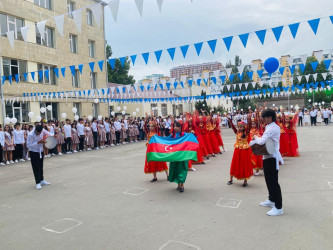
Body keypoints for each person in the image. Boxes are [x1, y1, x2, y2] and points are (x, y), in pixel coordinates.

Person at [249, 109, 284, 216]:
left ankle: (279, 207)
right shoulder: (270, 127)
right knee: (268, 180)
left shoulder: (272, 128)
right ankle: (271, 199)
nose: (263, 119)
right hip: (267, 156)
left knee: (273, 182)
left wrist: (255, 137)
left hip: (271, 157)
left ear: (269, 118)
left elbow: (261, 141)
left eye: (264, 117)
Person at [227, 115, 253, 187]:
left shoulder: (246, 133)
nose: (240, 128)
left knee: (244, 164)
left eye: (241, 127)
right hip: (237, 149)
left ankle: (245, 181)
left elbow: (250, 126)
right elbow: (233, 127)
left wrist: (249, 119)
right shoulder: (237, 132)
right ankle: (231, 179)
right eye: (239, 127)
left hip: (244, 150)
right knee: (235, 163)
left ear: (244, 127)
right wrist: (230, 121)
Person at [27, 125, 55, 190]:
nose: (40, 133)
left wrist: (53, 135)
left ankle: (42, 180)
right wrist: (38, 142)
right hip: (33, 152)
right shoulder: (30, 135)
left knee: (40, 166)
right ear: (35, 130)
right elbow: (28, 145)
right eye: (38, 132)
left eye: (41, 132)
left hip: (40, 150)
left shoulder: (42, 130)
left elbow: (48, 133)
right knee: (35, 167)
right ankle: (37, 183)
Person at [168, 121, 189, 193]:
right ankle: (178, 184)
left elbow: (191, 138)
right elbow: (166, 140)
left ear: (180, 127)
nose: (174, 128)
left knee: (181, 169)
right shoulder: (172, 135)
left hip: (182, 156)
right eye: (174, 126)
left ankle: (182, 185)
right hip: (174, 155)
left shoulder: (184, 134)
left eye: (176, 126)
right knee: (176, 169)